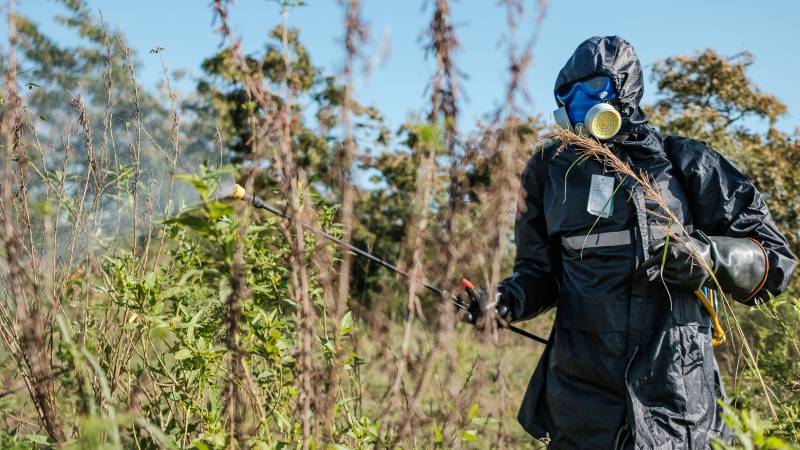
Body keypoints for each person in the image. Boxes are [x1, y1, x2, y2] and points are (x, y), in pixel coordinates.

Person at [473, 36, 796, 449]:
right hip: (580, 402)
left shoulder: (687, 164)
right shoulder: (548, 174)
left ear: (624, 90)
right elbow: (540, 275)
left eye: (594, 92)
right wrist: (501, 300)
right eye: (569, 98)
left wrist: (710, 256)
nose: (582, 106)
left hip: (676, 398)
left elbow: (775, 260)